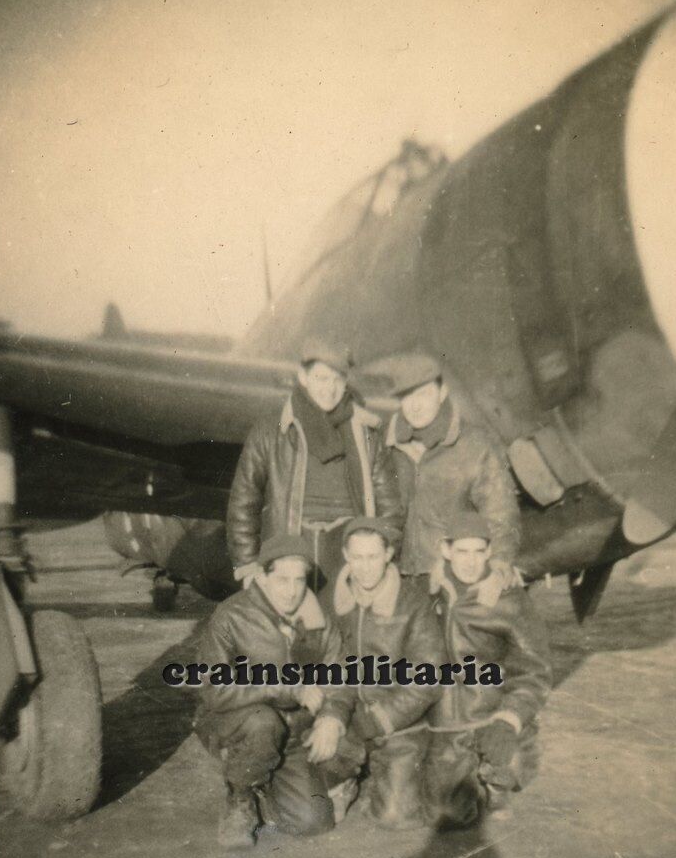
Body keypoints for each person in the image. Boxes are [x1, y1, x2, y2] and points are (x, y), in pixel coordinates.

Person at [192, 536, 353, 849]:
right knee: (262, 722)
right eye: (282, 579)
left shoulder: (319, 619)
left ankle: (264, 786)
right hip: (237, 722)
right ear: (262, 577)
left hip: (293, 732)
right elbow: (214, 689)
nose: (292, 591)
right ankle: (240, 797)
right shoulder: (232, 616)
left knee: (313, 822)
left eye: (299, 580)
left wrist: (332, 717)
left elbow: (340, 677)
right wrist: (285, 687)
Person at [226, 338, 403, 594]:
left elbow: (389, 507)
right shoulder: (271, 430)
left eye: (337, 380)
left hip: (348, 557)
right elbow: (244, 500)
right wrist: (247, 564)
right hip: (290, 555)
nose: (329, 389)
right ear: (303, 376)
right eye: (321, 378)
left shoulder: (367, 434)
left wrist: (382, 562)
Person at [423, 513, 552, 830]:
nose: (470, 562)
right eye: (462, 551)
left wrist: (510, 719)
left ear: (489, 552)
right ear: (446, 550)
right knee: (445, 815)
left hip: (492, 712)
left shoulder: (510, 600)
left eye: (478, 551)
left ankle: (498, 776)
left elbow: (535, 672)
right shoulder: (429, 593)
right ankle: (472, 773)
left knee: (511, 762)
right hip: (449, 719)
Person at [319, 515, 445, 829]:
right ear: (345, 556)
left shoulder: (413, 602)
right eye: (357, 557)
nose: (365, 567)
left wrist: (380, 719)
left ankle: (398, 770)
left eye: (373, 556)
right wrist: (331, 715)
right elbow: (320, 664)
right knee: (314, 793)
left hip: (399, 721)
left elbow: (428, 678)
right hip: (347, 712)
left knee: (394, 817)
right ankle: (347, 777)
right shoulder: (330, 599)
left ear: (388, 554)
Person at [383, 352, 521, 606]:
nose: (415, 405)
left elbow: (500, 511)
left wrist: (499, 564)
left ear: (442, 392)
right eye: (407, 396)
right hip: (402, 580)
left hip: (456, 578)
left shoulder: (474, 444)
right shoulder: (387, 445)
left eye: (423, 394)